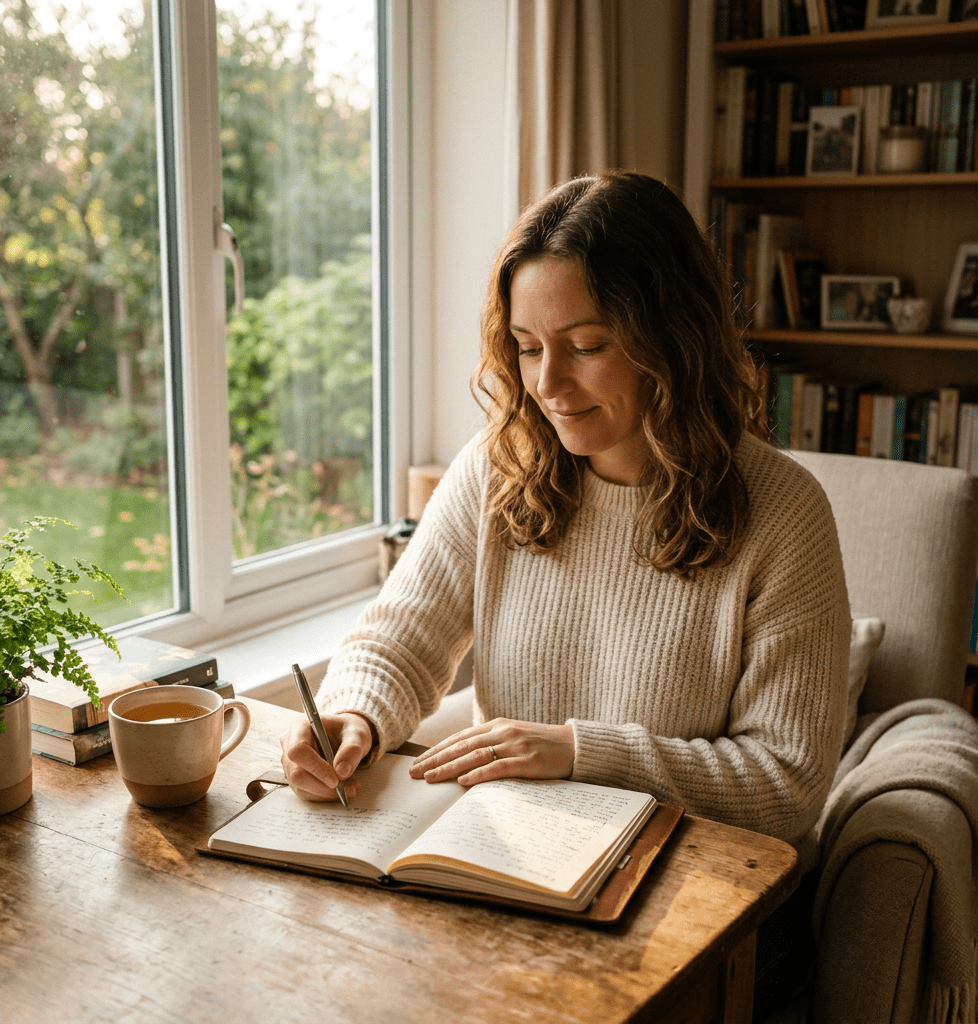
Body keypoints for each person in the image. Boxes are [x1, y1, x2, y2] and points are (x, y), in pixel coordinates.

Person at [280, 170, 851, 862]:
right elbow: (400, 640)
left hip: (690, 882)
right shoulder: (498, 467)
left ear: (673, 338)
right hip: (509, 856)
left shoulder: (785, 516)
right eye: (527, 346)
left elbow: (786, 783)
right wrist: (353, 713)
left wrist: (579, 752)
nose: (547, 384)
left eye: (586, 346)